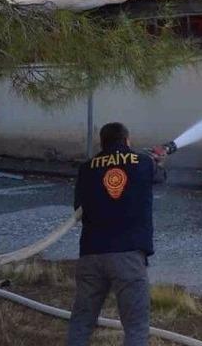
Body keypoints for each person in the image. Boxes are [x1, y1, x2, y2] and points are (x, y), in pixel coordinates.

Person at [67, 122, 166, 346]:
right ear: (127, 140)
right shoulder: (142, 162)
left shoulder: (87, 167)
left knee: (81, 321)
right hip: (128, 255)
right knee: (136, 327)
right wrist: (157, 160)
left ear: (102, 143)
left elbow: (78, 208)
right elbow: (161, 177)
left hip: (91, 254)